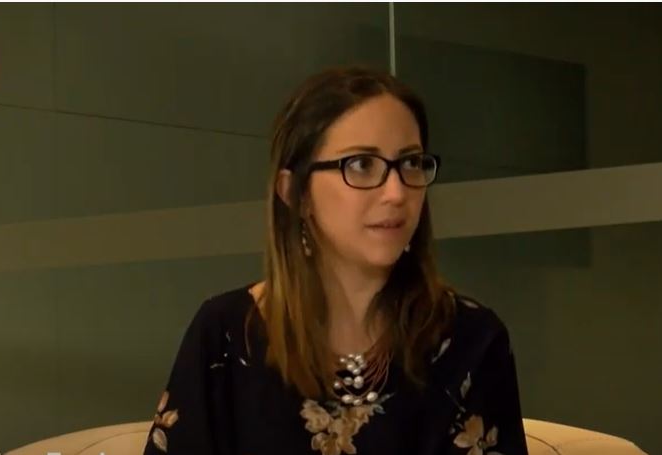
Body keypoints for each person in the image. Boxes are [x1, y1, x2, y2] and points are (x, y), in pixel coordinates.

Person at [142, 65, 528, 455]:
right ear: (296, 193)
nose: (397, 193)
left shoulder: (471, 340)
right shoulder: (226, 335)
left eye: (411, 163)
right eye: (361, 164)